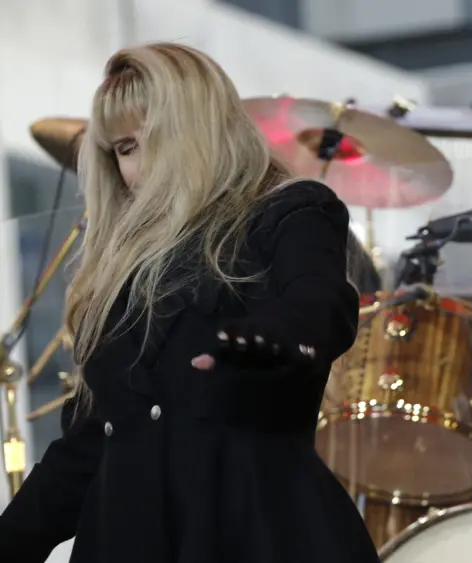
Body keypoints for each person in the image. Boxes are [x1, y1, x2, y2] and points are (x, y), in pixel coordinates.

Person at [0, 42, 381, 563]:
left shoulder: (290, 212)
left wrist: (265, 340)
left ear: (200, 127)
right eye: (125, 149)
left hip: (259, 535)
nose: (138, 164)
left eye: (152, 137)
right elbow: (83, 455)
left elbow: (321, 308)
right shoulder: (119, 281)